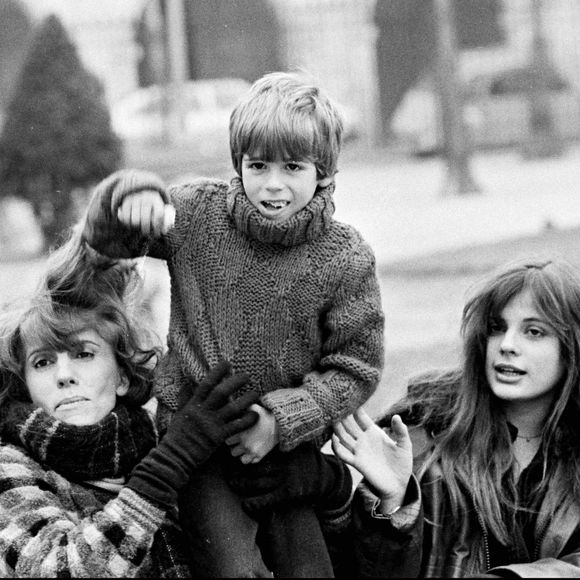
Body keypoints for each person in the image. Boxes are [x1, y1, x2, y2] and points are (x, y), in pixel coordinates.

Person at [80, 70, 384, 576]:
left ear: (324, 172)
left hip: (282, 451)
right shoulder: (198, 213)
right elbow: (113, 240)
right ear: (237, 163)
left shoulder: (345, 257)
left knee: (310, 569)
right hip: (197, 442)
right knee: (232, 568)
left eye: (293, 166)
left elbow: (356, 367)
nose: (272, 184)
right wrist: (131, 199)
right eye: (257, 164)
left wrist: (280, 422)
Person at [0, 232, 259, 578]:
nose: (64, 375)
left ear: (122, 376)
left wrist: (332, 490)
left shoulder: (166, 441)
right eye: (42, 362)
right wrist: (169, 466)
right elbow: (58, 571)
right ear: (27, 385)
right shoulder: (11, 465)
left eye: (84, 354)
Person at [329, 257, 580, 577]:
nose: (506, 345)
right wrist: (392, 504)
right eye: (496, 328)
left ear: (571, 346)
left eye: (533, 331)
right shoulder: (427, 436)